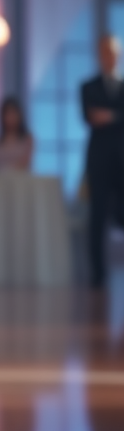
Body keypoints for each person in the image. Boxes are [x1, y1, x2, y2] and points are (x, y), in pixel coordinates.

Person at [80, 34, 124, 289]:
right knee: (97, 217)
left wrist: (111, 116)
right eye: (103, 52)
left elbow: (108, 117)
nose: (107, 56)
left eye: (111, 51)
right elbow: (90, 116)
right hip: (98, 159)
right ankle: (98, 274)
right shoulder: (88, 87)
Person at [0, 95, 33, 170]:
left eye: (13, 113)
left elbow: (24, 163)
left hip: (21, 179)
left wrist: (4, 169)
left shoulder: (27, 139)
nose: (11, 118)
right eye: (7, 114)